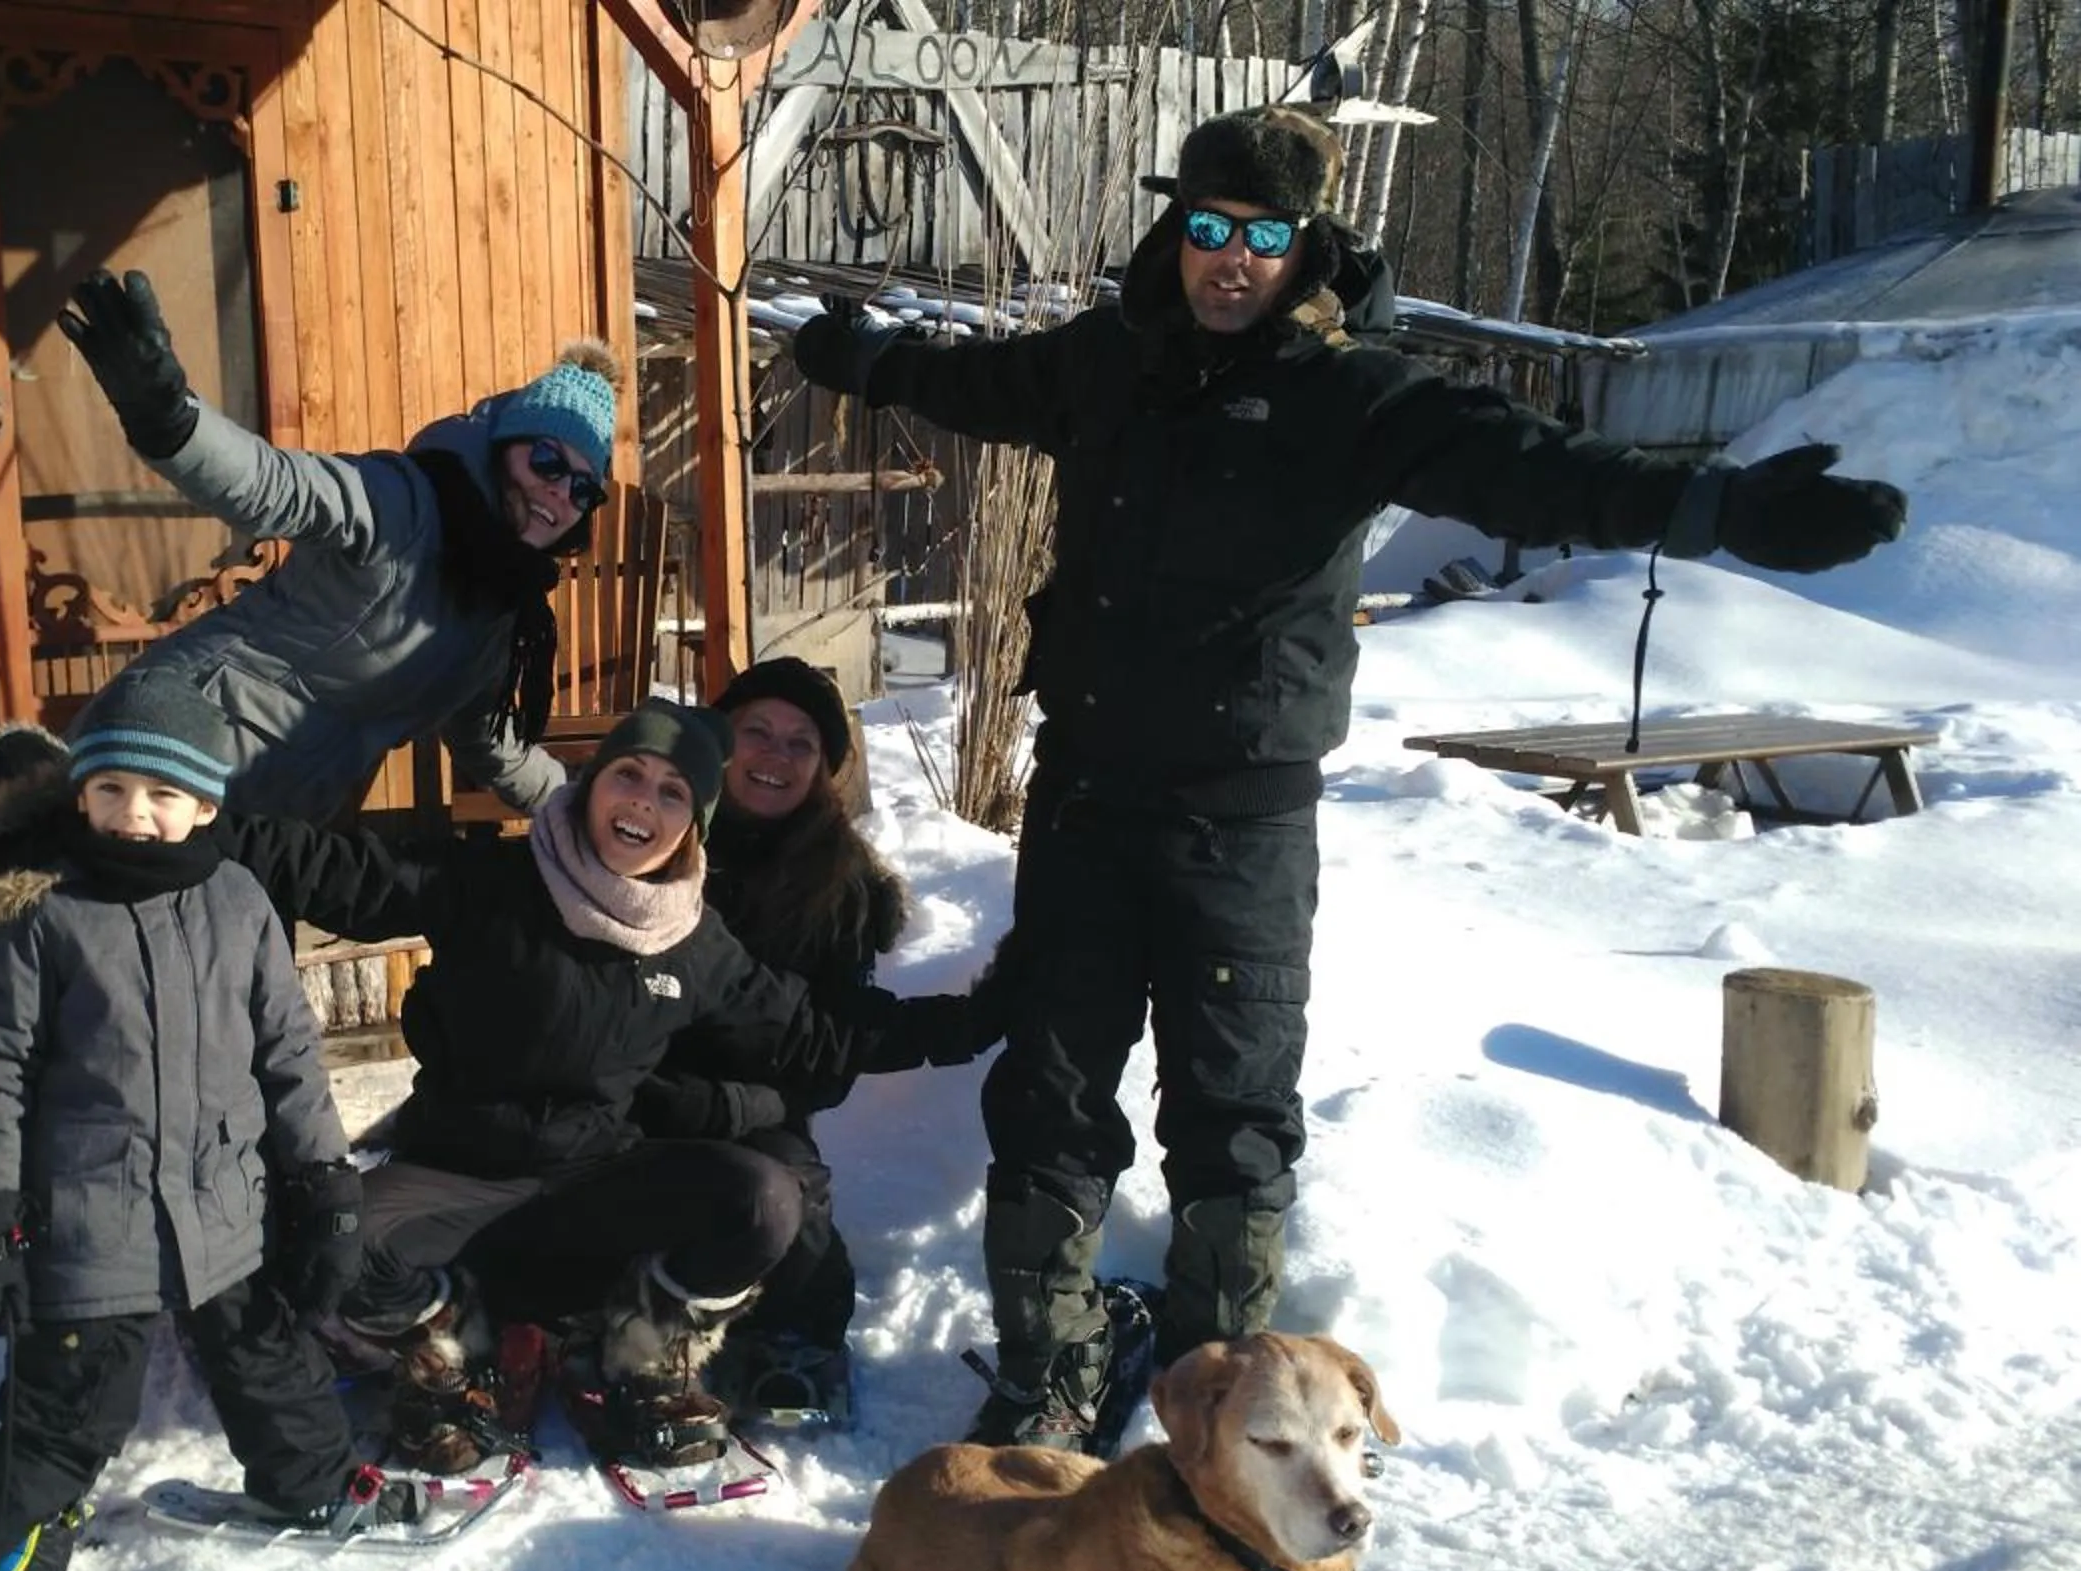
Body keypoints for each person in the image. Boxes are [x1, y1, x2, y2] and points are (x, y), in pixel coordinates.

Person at [789, 105, 1910, 1451]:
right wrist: (863, 357)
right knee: (1051, 1087)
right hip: (1086, 800)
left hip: (1243, 821)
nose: (1232, 261)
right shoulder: (1110, 362)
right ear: (1176, 226)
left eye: (1265, 238)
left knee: (1233, 1108)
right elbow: (981, 384)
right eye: (1209, 229)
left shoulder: (1353, 396)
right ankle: (1048, 1366)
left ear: (1306, 245)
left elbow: (1539, 472)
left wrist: (1722, 509)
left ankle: (1215, 1397)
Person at [0, 267, 626, 1018]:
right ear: (503, 443)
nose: (556, 494)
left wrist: (604, 819)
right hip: (179, 746)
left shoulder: (500, 612)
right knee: (29, 970)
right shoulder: (402, 501)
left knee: (218, 1015)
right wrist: (166, 413)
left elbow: (491, 744)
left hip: (268, 825)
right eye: (546, 459)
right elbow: (267, 483)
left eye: (582, 487)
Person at [216, 700, 995, 1472]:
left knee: (765, 1199)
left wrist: (977, 1020)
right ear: (590, 786)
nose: (643, 802)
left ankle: (641, 1353)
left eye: (672, 793)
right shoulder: (491, 881)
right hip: (454, 1184)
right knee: (324, 1245)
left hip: (591, 1194)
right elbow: (335, 874)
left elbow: (812, 1033)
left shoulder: (693, 941)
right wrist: (183, 822)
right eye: (629, 774)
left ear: (692, 824)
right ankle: (452, 1349)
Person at [0, 672, 419, 1571]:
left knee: (266, 1351)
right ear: (81, 796)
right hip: (87, 1222)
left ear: (205, 802)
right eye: (111, 790)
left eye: (161, 794)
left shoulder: (238, 897)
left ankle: (310, 1485)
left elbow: (288, 1048)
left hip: (226, 1202)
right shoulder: (45, 916)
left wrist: (324, 1182)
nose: (134, 815)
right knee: (68, 1411)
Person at [632, 657, 906, 1419]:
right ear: (721, 743)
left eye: (801, 744)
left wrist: (726, 1105)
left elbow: (829, 1064)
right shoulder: (654, 832)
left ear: (824, 770)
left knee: (793, 1200)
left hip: (753, 1109)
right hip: (619, 1088)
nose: (775, 757)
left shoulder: (844, 890)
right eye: (758, 732)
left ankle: (793, 1342)